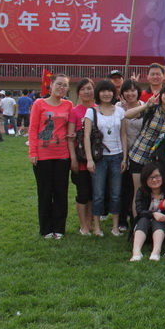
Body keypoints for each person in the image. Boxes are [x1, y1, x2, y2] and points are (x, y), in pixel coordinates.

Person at [29, 74, 73, 239]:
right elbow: (33, 128)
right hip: (43, 156)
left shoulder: (68, 105)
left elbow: (70, 127)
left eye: (65, 85)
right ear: (51, 85)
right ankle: (46, 229)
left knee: (61, 193)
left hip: (62, 155)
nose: (61, 88)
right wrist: (33, 152)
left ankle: (59, 228)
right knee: (45, 193)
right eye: (59, 84)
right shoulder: (39, 103)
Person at [125, 84, 165, 213]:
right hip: (139, 153)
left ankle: (153, 220)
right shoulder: (152, 109)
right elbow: (127, 115)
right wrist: (146, 105)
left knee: (156, 192)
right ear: (161, 95)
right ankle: (137, 221)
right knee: (138, 191)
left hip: (157, 158)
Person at [84, 79, 127, 237]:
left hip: (117, 156)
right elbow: (86, 136)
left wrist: (124, 158)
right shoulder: (91, 112)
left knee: (116, 194)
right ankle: (97, 227)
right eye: (103, 91)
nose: (106, 94)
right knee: (98, 194)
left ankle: (115, 227)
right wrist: (89, 159)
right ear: (98, 93)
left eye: (109, 91)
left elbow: (123, 135)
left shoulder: (120, 111)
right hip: (99, 158)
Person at [129, 162, 165, 262]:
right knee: (143, 219)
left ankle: (156, 251)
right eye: (150, 177)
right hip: (144, 228)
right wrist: (153, 214)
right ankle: (136, 251)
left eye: (157, 176)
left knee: (158, 220)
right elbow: (139, 211)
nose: (154, 180)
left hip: (163, 230)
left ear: (163, 176)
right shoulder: (142, 191)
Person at [67, 78, 96, 236]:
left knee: (93, 193)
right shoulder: (75, 111)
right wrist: (73, 158)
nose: (87, 92)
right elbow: (70, 137)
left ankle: (90, 222)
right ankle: (83, 225)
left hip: (97, 158)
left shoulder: (99, 109)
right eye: (83, 89)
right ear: (78, 93)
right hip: (81, 158)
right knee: (83, 193)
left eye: (89, 88)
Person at [117, 79, 143, 231]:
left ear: (138, 92)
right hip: (122, 152)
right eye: (126, 90)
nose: (130, 93)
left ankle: (136, 218)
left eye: (133, 90)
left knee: (137, 188)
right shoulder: (118, 107)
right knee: (123, 187)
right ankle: (122, 220)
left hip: (140, 153)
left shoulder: (145, 106)